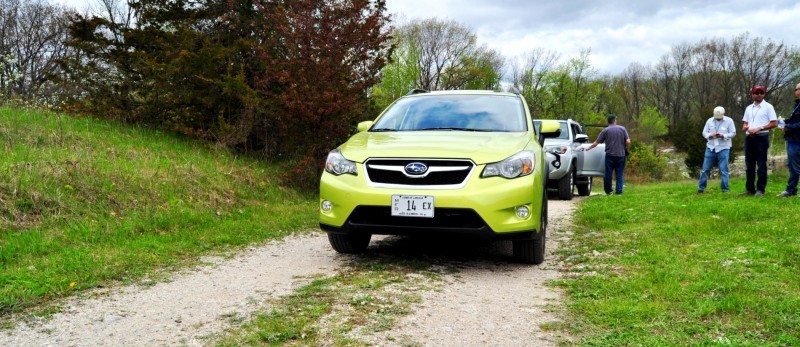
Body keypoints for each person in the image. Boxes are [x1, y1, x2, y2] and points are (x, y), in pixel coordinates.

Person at [741, 85, 778, 197]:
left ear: (764, 94)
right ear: (752, 94)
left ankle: (760, 190)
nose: (759, 95)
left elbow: (774, 123)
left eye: (761, 92)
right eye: (756, 93)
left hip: (761, 137)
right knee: (749, 164)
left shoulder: (768, 107)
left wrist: (759, 127)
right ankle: (750, 189)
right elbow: (745, 123)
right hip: (749, 137)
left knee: (761, 164)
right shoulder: (748, 108)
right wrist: (745, 127)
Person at [586, 114, 631, 195]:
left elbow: (596, 142)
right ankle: (619, 192)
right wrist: (626, 145)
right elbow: (628, 141)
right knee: (619, 174)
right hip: (621, 155)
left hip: (610, 155)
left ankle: (608, 191)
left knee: (608, 174)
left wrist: (588, 148)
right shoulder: (622, 129)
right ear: (614, 120)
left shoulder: (605, 131)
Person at [697, 106, 736, 193]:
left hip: (723, 148)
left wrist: (723, 135)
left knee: (723, 170)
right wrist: (710, 135)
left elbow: (733, 133)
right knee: (705, 169)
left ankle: (725, 189)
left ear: (723, 114)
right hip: (711, 147)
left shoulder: (729, 121)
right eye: (716, 117)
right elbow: (704, 132)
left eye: (719, 118)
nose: (718, 119)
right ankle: (701, 188)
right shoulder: (709, 121)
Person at [776, 82, 800, 197]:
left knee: (796, 166)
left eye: (796, 89)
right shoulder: (797, 105)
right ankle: (791, 190)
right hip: (792, 139)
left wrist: (787, 127)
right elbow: (794, 120)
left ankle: (791, 190)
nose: (795, 91)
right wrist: (784, 121)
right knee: (791, 165)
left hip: (797, 140)